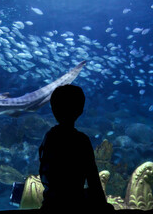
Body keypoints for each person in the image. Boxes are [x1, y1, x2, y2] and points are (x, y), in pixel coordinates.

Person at [38, 85, 114, 213]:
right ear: (80, 110)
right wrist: (103, 206)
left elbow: (45, 171)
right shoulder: (81, 140)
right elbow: (93, 179)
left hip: (51, 204)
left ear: (53, 109)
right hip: (75, 203)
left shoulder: (49, 137)